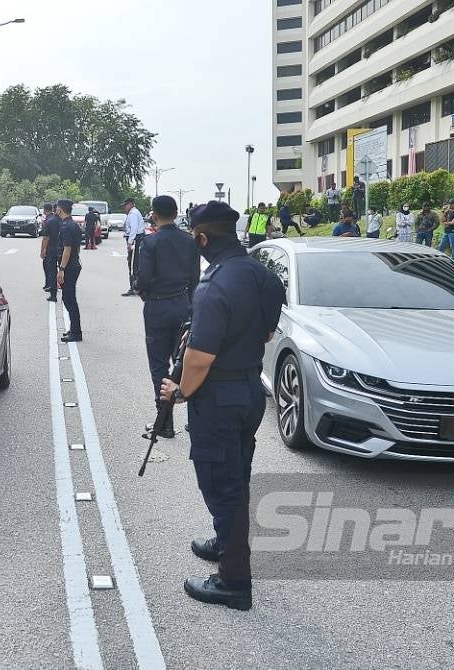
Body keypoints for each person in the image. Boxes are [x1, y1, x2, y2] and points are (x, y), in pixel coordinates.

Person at [159, 200, 284, 611]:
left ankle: (234, 580)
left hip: (218, 397)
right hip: (249, 391)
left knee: (220, 483)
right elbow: (267, 334)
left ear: (201, 237)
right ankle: (225, 542)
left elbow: (198, 359)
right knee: (237, 475)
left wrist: (179, 394)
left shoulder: (214, 286)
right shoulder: (264, 276)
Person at [135, 195, 200, 440]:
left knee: (159, 365)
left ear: (154, 214)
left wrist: (143, 291)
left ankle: (165, 422)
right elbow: (195, 279)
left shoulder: (150, 242)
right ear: (176, 213)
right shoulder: (190, 241)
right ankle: (195, 421)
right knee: (186, 362)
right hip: (184, 304)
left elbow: (143, 279)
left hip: (158, 307)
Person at [56, 199, 84, 342]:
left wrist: (61, 269)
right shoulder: (73, 224)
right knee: (68, 298)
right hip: (74, 264)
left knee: (69, 299)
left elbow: (67, 249)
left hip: (69, 267)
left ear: (60, 210)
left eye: (57, 208)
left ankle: (76, 332)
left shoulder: (66, 226)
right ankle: (74, 329)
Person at [123, 197, 146, 297]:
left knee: (133, 264)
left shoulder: (133, 214)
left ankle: (133, 287)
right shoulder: (135, 213)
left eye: (126, 205)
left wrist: (130, 242)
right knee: (136, 263)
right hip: (138, 239)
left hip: (135, 240)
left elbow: (134, 229)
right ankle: (137, 287)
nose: (125, 207)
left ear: (131, 204)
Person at [40, 203, 62, 302]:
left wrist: (43, 250)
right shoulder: (65, 221)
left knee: (52, 271)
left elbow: (45, 237)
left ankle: (53, 295)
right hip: (63, 249)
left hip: (51, 249)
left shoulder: (50, 221)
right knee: (64, 270)